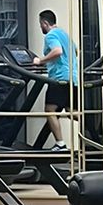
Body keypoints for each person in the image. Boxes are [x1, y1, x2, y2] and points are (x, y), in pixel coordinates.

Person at [32, 8, 75, 148]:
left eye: (40, 25)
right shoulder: (64, 34)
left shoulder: (50, 35)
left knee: (50, 110)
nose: (40, 28)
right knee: (72, 112)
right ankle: (94, 128)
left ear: (45, 23)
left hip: (59, 78)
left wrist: (41, 61)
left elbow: (57, 51)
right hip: (73, 78)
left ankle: (60, 144)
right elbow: (76, 51)